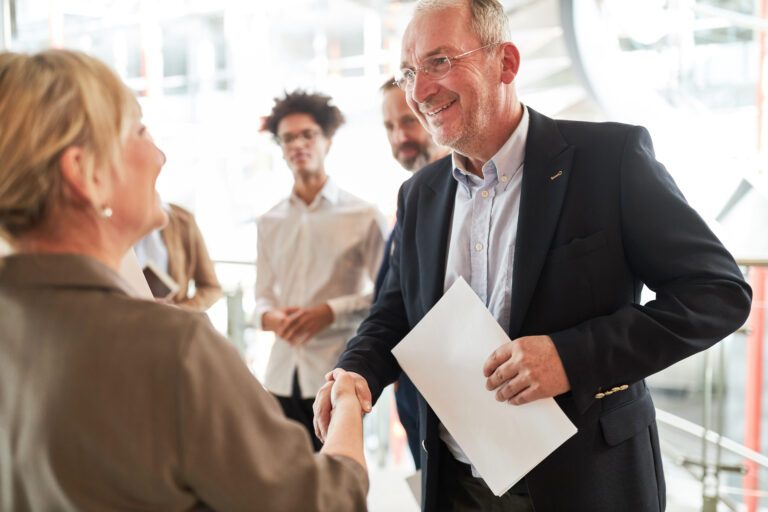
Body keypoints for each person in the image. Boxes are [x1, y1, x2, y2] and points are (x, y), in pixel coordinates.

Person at [313, 1, 753, 511]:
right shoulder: (419, 194)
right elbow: (394, 315)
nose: (418, 90)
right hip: (458, 487)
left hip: (588, 484)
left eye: (439, 62)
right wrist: (355, 374)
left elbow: (719, 293)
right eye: (409, 71)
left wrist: (572, 357)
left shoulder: (609, 160)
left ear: (506, 63)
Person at [0, 49, 368, 511]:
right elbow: (326, 504)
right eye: (138, 130)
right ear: (85, 174)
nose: (160, 156)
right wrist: (349, 404)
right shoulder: (171, 348)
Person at [255, 90, 386, 451]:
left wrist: (330, 312)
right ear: (280, 148)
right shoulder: (269, 221)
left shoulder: (363, 215)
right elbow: (261, 298)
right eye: (288, 138)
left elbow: (388, 296)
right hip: (281, 375)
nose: (298, 144)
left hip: (335, 376)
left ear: (327, 140)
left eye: (307, 134)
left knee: (336, 492)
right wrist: (271, 318)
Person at [377, 78, 449, 470]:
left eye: (408, 120)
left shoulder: (461, 200)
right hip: (414, 403)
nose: (400, 136)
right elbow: (392, 301)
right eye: (389, 127)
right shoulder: (410, 198)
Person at [134, 202, 223, 311]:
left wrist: (179, 310)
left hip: (169, 321)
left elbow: (211, 287)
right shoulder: (111, 218)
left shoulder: (183, 221)